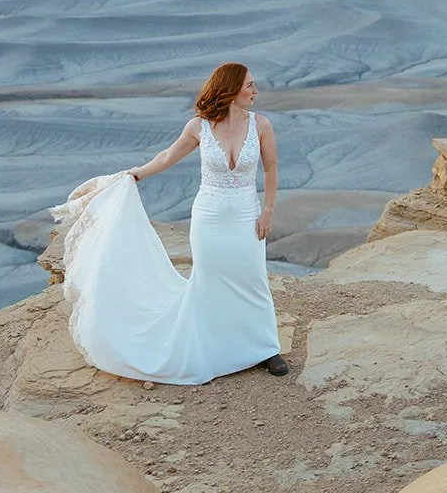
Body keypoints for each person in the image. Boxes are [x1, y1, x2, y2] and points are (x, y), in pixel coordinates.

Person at [50, 62, 288, 383]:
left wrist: (268, 211)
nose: (255, 91)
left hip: (247, 215)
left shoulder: (261, 125)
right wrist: (137, 173)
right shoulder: (199, 127)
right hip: (209, 218)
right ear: (230, 89)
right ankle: (215, 344)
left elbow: (271, 169)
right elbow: (167, 157)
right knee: (210, 279)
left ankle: (265, 348)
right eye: (249, 85)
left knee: (252, 277)